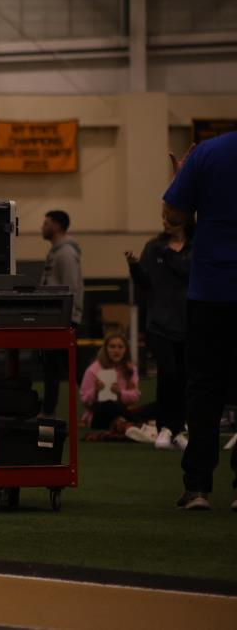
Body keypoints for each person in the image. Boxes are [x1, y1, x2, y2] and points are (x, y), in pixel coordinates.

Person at [162, 132, 237, 511]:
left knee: (204, 389)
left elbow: (174, 215)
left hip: (212, 290)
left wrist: (181, 176)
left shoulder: (209, 152)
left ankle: (197, 488)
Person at [125, 212, 193, 451]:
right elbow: (145, 283)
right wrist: (134, 266)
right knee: (168, 374)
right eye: (163, 217)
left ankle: (177, 429)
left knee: (184, 378)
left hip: (188, 323)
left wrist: (171, 255)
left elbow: (189, 273)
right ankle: (164, 427)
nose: (164, 221)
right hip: (159, 325)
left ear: (184, 220)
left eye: (170, 217)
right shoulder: (153, 248)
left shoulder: (194, 249)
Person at [40, 210, 83, 417]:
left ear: (57, 226)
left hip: (64, 319)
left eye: (46, 223)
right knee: (54, 367)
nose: (42, 227)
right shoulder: (56, 252)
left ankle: (100, 408)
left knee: (73, 367)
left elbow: (71, 287)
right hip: (55, 318)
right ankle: (48, 410)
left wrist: (69, 319)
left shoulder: (66, 254)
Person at [79, 332, 144, 437]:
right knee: (108, 404)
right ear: (106, 349)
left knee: (158, 405)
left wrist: (120, 393)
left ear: (125, 350)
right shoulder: (93, 369)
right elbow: (84, 399)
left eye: (120, 347)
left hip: (123, 410)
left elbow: (135, 396)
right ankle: (135, 422)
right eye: (112, 347)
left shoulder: (130, 368)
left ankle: (125, 422)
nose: (116, 351)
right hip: (100, 414)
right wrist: (96, 392)